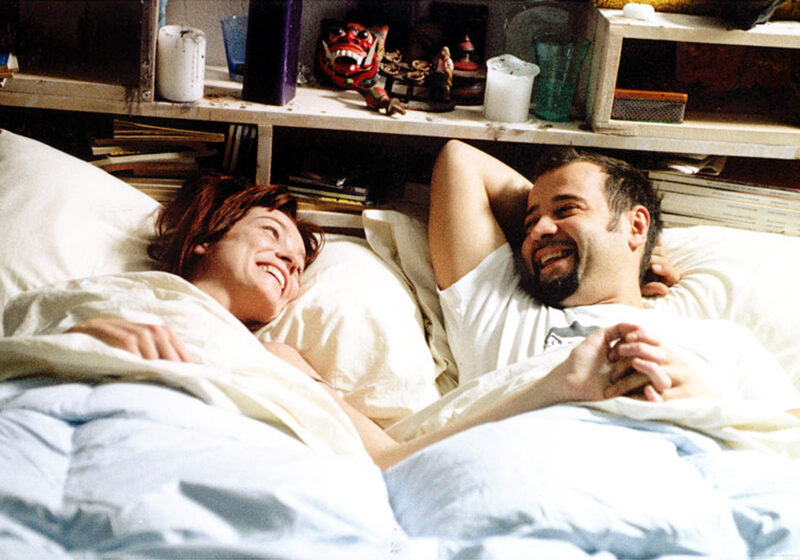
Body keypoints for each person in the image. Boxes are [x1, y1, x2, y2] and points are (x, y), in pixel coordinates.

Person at [65, 173, 701, 470]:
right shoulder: (111, 296)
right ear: (205, 238)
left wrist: (623, 251)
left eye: (298, 260)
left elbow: (383, 460)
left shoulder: (281, 360)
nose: (287, 259)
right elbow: (30, 339)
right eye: (271, 234)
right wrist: (82, 343)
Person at [427, 139, 800, 416]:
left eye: (567, 209)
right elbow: (460, 160)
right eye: (529, 223)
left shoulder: (723, 341)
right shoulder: (503, 313)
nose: (537, 230)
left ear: (636, 225)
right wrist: (569, 233)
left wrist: (710, 405)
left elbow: (788, 440)